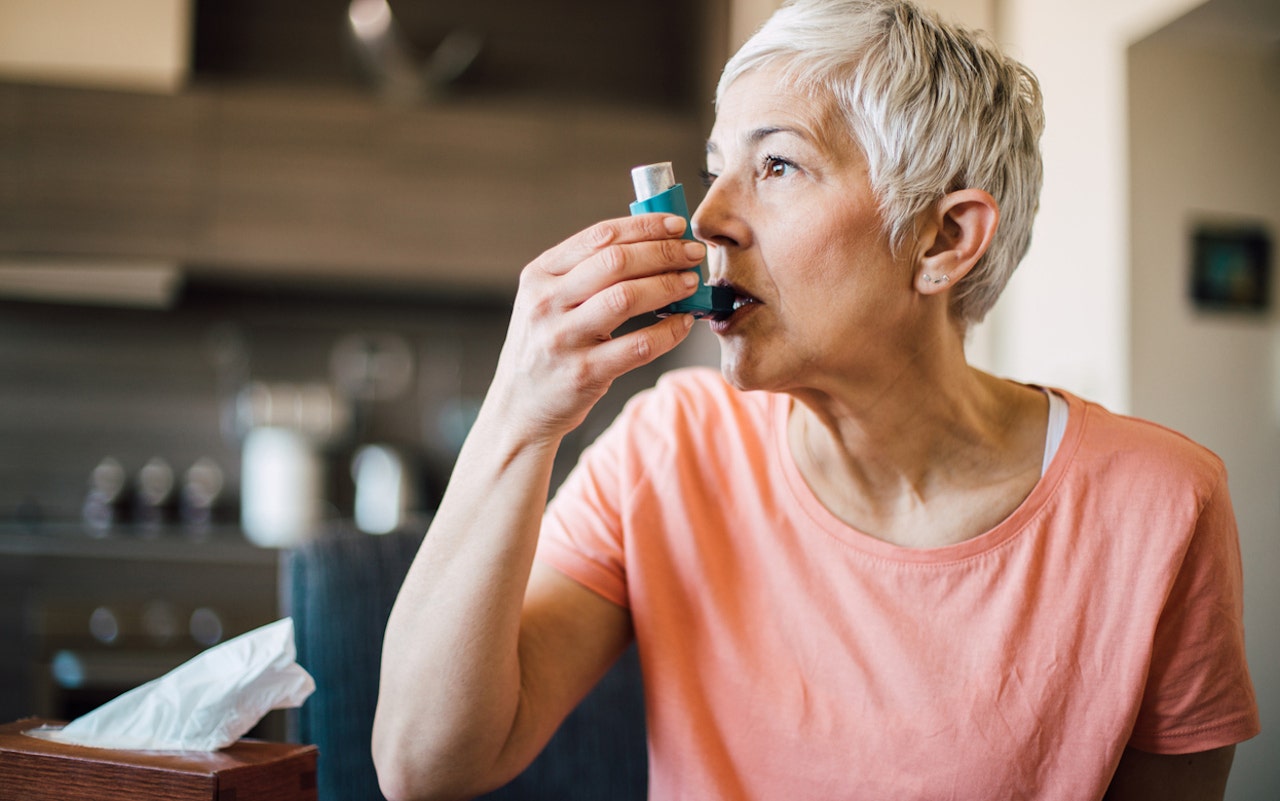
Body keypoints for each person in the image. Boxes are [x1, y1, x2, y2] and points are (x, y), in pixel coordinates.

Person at [372, 0, 1260, 798]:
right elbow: (426, 763)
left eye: (779, 166)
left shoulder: (1162, 504)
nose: (708, 218)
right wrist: (519, 416)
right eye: (718, 166)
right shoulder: (670, 447)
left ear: (945, 238)